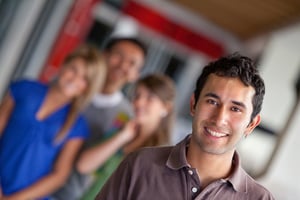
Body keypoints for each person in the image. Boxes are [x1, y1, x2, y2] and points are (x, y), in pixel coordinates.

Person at [96, 53, 275, 200]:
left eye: (235, 109)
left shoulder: (259, 199)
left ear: (251, 124)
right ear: (193, 104)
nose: (220, 119)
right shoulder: (140, 165)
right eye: (212, 102)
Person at [0, 44, 106, 200]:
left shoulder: (77, 125)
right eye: (73, 70)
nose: (75, 79)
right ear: (63, 65)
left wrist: (14, 199)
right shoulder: (24, 89)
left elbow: (59, 175)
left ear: (88, 87)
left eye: (84, 78)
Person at [51, 36, 147, 199]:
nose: (123, 65)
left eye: (132, 63)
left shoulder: (126, 118)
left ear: (135, 75)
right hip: (27, 177)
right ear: (104, 55)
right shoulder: (70, 87)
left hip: (67, 194)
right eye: (118, 55)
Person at [77, 74, 176, 199]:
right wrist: (122, 137)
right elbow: (83, 165)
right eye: (137, 95)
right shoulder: (123, 130)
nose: (139, 102)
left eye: (150, 98)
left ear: (166, 107)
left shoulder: (164, 155)